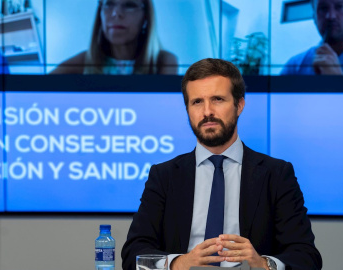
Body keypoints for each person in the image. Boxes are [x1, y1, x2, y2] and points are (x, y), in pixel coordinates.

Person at [121, 58, 322, 270]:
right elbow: (133, 254)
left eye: (217, 99)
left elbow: (306, 257)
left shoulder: (276, 174)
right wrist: (179, 263)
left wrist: (262, 264)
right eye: (197, 102)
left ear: (239, 105)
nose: (207, 111)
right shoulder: (164, 176)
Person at [50, 0, 178, 75]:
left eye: (129, 5)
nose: (116, 13)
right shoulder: (83, 61)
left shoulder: (163, 61)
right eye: (109, 3)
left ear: (145, 17)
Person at [281, 0, 343, 75]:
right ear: (314, 17)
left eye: (339, 6)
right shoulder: (294, 67)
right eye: (323, 8)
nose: (331, 16)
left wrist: (337, 82)